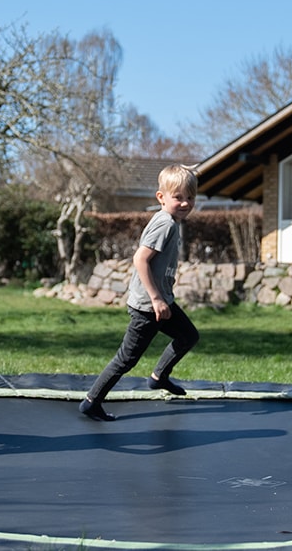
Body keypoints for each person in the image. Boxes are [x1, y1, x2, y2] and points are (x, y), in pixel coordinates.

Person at [79, 164, 200, 421]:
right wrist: (156, 298)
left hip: (162, 300)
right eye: (178, 197)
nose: (185, 203)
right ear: (161, 197)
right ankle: (91, 402)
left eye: (190, 197)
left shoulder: (171, 221)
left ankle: (159, 377)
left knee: (188, 335)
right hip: (149, 306)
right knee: (126, 359)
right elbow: (140, 259)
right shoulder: (165, 224)